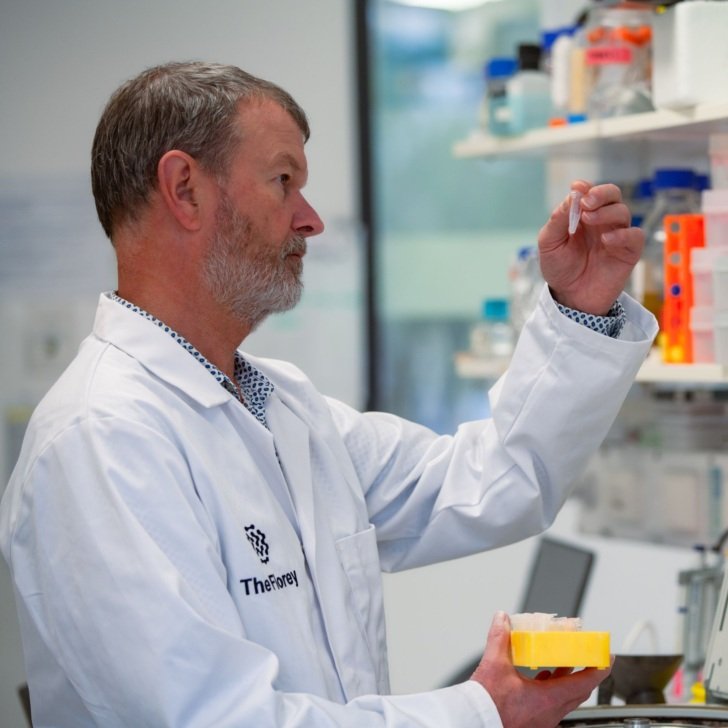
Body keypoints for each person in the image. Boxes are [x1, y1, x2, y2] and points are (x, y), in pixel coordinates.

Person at [0, 61, 656, 728]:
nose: (311, 220)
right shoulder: (100, 438)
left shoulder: (287, 411)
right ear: (185, 190)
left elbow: (495, 480)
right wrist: (478, 711)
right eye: (284, 181)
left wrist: (580, 311)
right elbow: (215, 719)